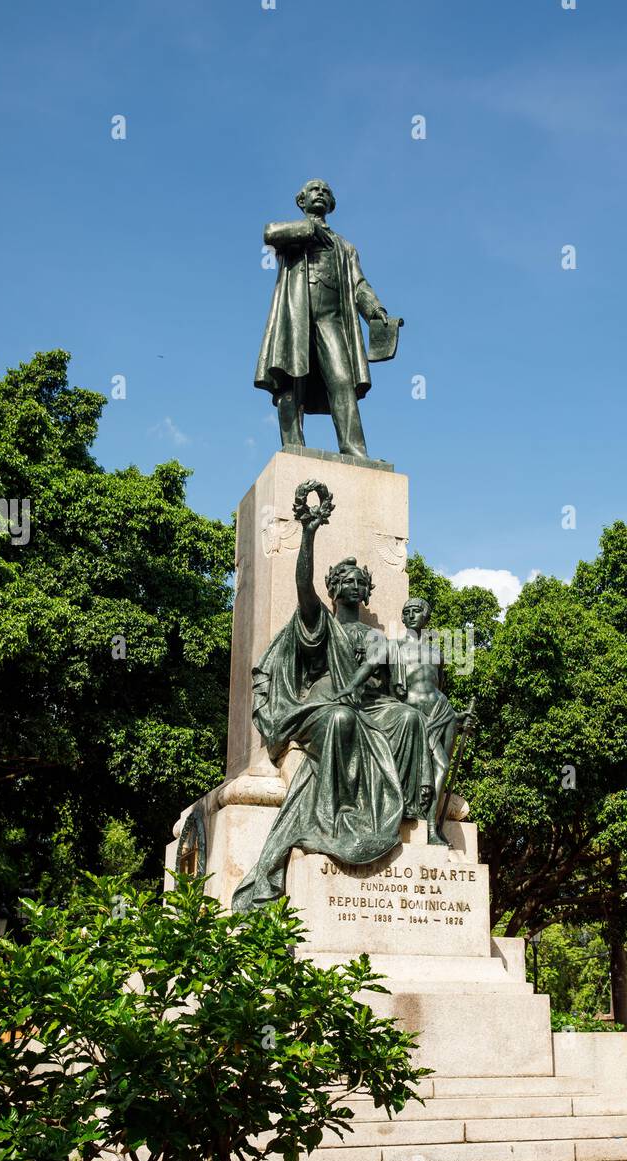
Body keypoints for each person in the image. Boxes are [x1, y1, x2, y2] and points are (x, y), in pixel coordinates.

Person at [232, 481, 433, 910]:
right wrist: (308, 532)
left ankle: (413, 812)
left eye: (361, 582)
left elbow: (391, 689)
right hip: (321, 706)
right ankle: (340, 815)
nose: (355, 587)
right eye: (346, 581)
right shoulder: (321, 625)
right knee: (342, 719)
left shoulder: (375, 636)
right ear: (333, 589)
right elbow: (303, 587)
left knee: (409, 719)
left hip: (366, 708)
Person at [254, 179, 394, 458]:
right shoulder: (296, 234)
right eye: (313, 190)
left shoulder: (345, 247)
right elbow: (270, 233)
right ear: (301, 201)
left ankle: (354, 451)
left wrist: (376, 311)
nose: (320, 193)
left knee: (343, 380)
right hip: (295, 317)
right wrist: (309, 229)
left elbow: (359, 286)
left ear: (331, 204)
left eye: (326, 191)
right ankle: (293, 448)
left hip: (332, 320)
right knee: (290, 379)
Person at [391, 597, 474, 845]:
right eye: (408, 611)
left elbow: (436, 686)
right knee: (426, 766)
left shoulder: (436, 654)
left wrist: (459, 717)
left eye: (418, 611)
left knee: (443, 767)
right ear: (403, 617)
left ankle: (431, 829)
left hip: (442, 712)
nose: (413, 615)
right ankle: (400, 820)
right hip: (412, 715)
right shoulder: (393, 648)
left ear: (426, 617)